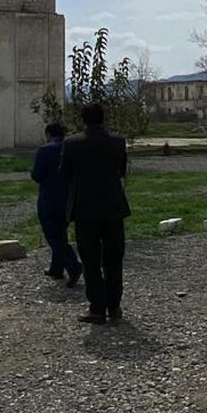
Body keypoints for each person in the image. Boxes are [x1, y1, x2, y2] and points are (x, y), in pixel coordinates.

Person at [61, 103, 131, 325]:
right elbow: (121, 171)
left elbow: (64, 174)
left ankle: (97, 308)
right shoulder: (118, 142)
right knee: (113, 259)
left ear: (84, 120)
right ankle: (114, 306)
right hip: (113, 208)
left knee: (91, 261)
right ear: (103, 119)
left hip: (85, 210)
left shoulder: (72, 143)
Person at [32, 123, 82, 286]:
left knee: (53, 236)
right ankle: (56, 267)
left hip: (50, 197)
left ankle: (73, 265)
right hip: (69, 197)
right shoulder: (72, 147)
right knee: (61, 232)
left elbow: (37, 175)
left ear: (48, 133)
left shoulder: (45, 150)